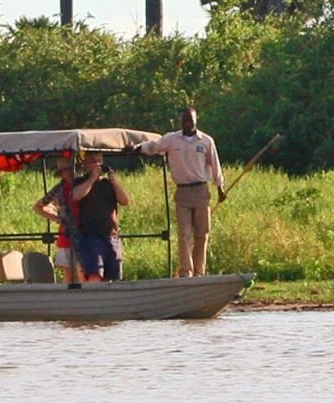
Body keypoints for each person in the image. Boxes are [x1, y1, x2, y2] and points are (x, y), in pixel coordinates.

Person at [137, 105, 227, 276]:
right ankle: (186, 271)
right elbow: (153, 146)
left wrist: (220, 188)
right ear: (181, 121)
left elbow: (215, 166)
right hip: (183, 192)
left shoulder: (206, 141)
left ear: (196, 121)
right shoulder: (172, 139)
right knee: (184, 234)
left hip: (201, 191)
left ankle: (199, 272)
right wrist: (137, 148)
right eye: (184, 121)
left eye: (190, 121)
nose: (187, 124)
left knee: (202, 234)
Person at [69, 151, 130, 282]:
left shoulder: (108, 184)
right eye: (93, 161)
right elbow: (75, 196)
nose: (97, 164)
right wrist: (92, 179)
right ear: (85, 164)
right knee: (94, 275)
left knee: (112, 277)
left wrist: (114, 182)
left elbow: (125, 201)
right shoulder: (80, 182)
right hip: (91, 236)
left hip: (111, 235)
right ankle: (94, 295)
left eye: (99, 161)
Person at [33, 157, 83, 283]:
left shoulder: (84, 184)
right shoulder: (58, 189)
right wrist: (56, 218)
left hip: (85, 233)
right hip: (67, 234)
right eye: (65, 170)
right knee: (69, 277)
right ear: (61, 173)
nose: (69, 172)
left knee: (84, 273)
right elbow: (38, 207)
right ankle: (69, 294)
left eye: (71, 168)